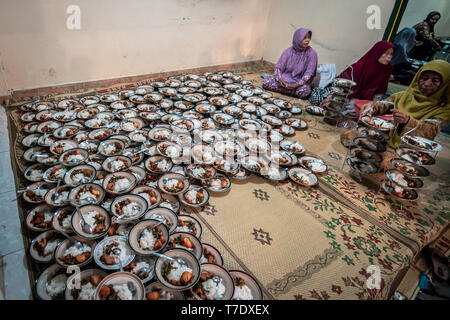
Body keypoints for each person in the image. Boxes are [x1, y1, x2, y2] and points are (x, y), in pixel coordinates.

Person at [360, 59, 450, 167]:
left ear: (445, 84)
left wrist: (408, 121)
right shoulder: (405, 95)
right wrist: (372, 108)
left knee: (388, 169)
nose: (426, 84)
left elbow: (430, 130)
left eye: (434, 81)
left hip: (410, 152)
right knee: (357, 143)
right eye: (424, 78)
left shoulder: (444, 109)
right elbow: (385, 104)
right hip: (388, 140)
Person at [311, 41, 394, 108]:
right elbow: (343, 84)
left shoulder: (387, 69)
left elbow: (380, 91)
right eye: (386, 53)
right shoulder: (359, 67)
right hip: (342, 92)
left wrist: (373, 107)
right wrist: (331, 98)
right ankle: (317, 90)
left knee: (359, 107)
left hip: (363, 99)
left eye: (391, 54)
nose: (389, 57)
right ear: (377, 53)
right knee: (319, 100)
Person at [262, 28, 318, 99]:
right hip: (284, 81)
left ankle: (286, 90)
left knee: (305, 91)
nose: (307, 40)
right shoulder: (288, 51)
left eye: (309, 37)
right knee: (266, 81)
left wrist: (297, 84)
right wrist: (280, 80)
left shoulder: (312, 53)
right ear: (297, 38)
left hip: (299, 83)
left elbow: (309, 73)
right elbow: (278, 67)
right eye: (304, 37)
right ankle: (288, 91)